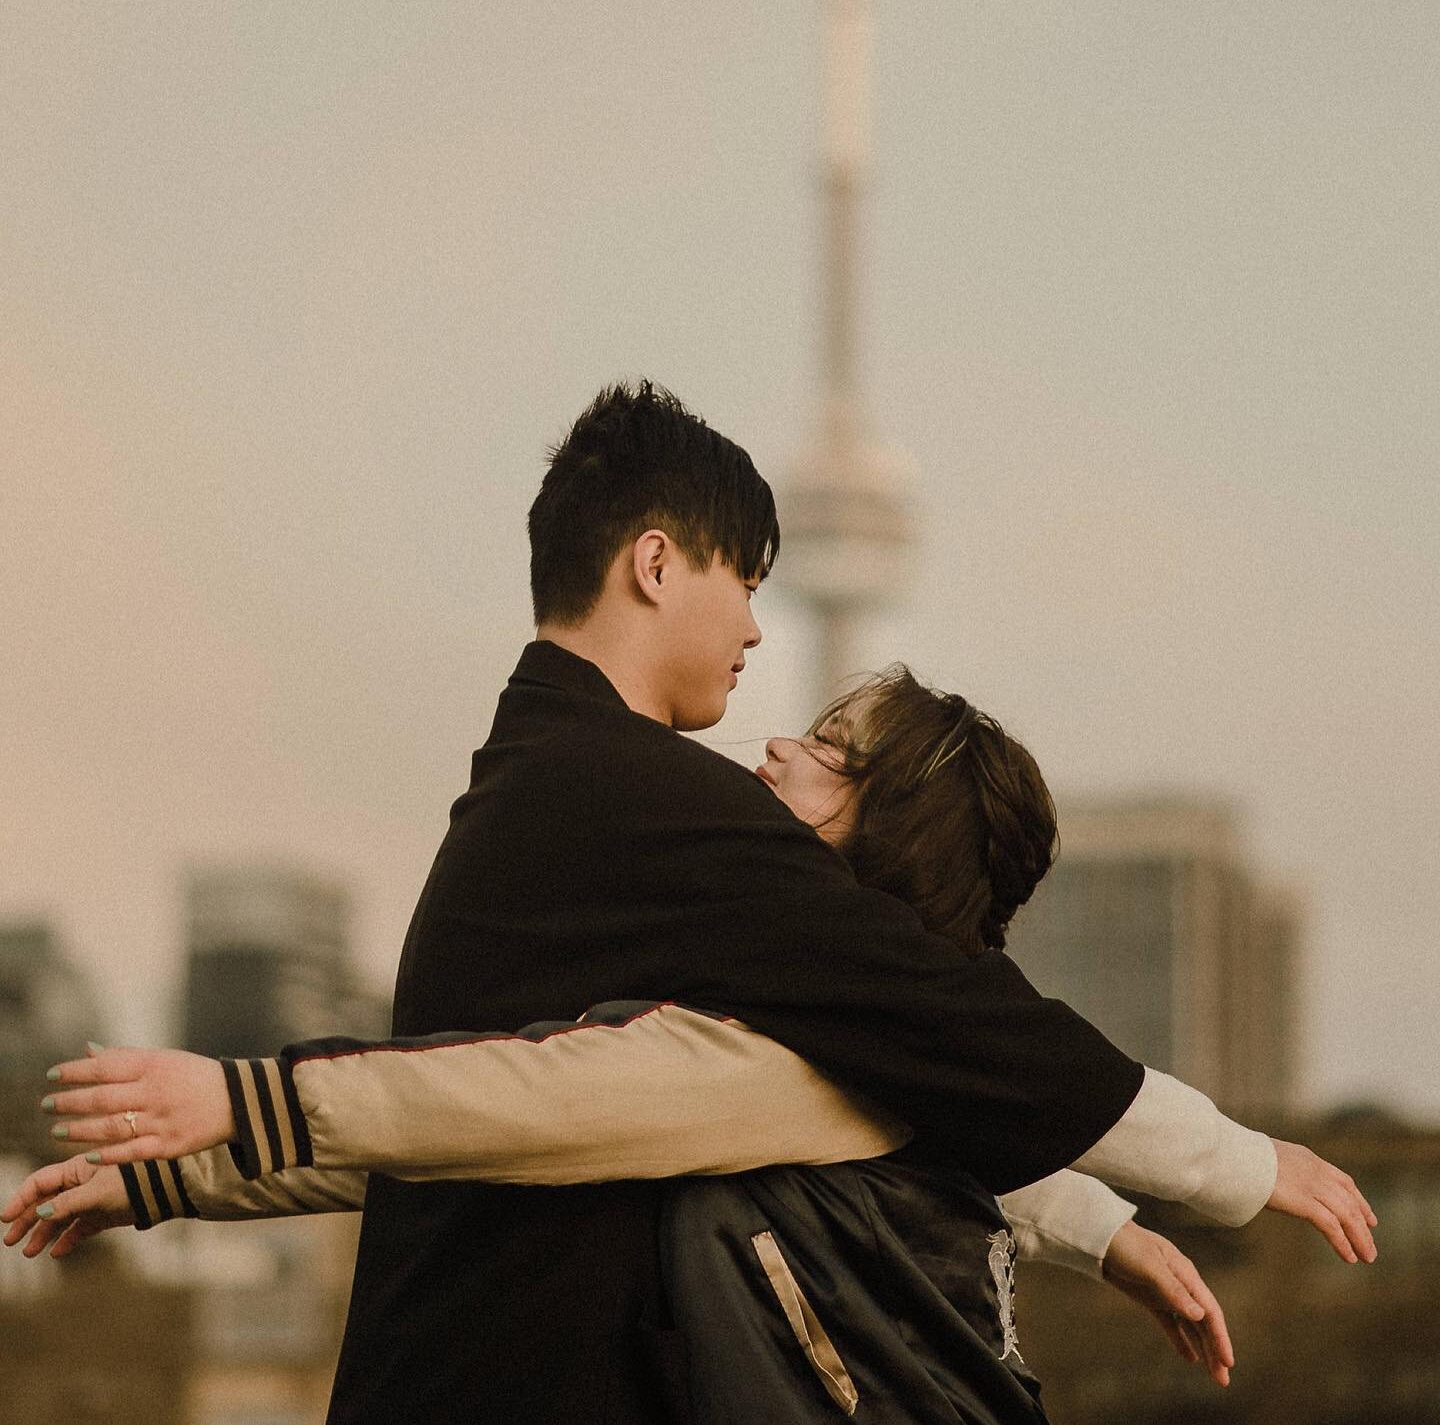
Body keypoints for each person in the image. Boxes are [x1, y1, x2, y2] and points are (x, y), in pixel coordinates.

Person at [3, 384, 1378, 1422]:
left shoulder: (526, 786)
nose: (761, 634)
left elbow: (520, 1097)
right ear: (659, 564)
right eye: (748, 581)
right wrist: (1230, 1169)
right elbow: (873, 1044)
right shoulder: (662, 806)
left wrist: (200, 1159)